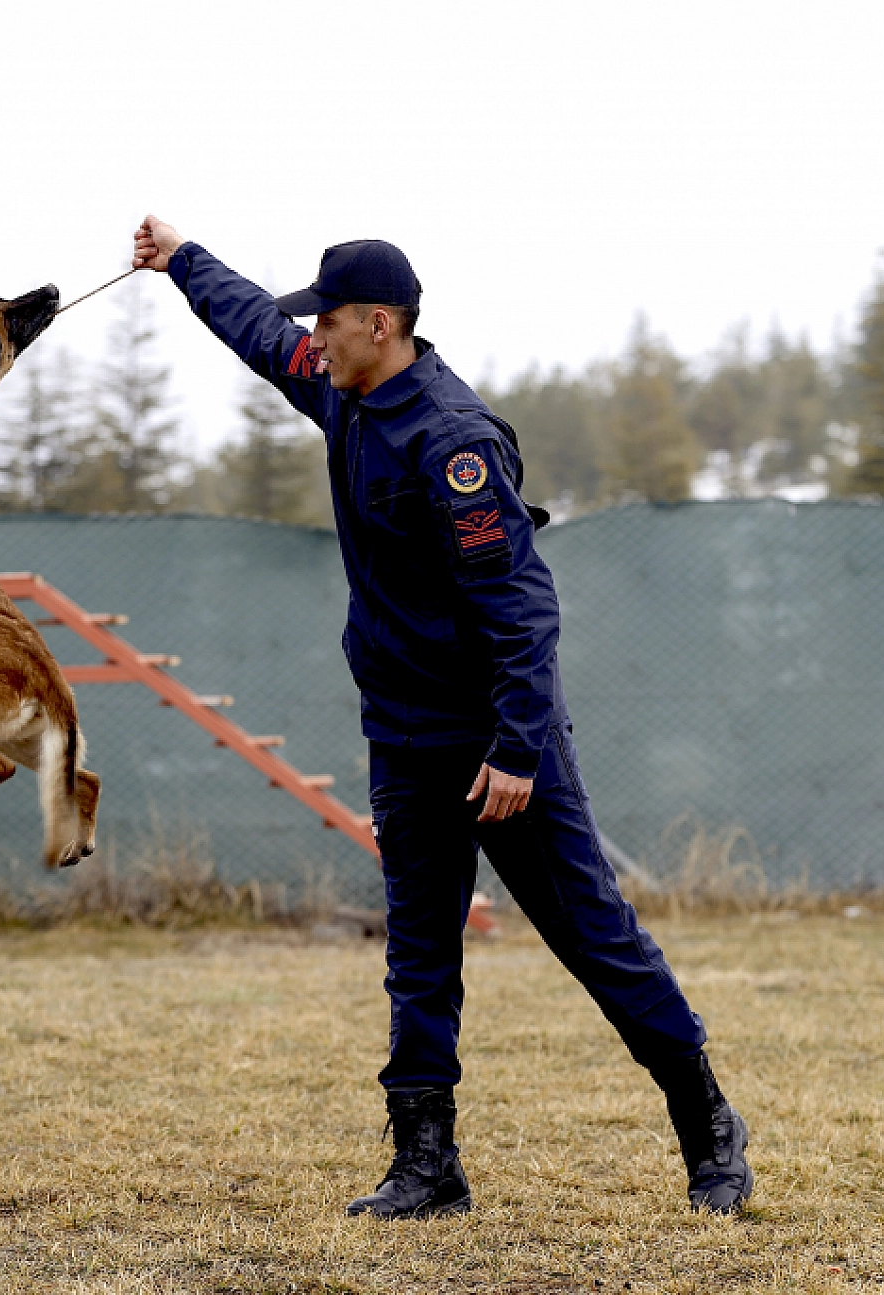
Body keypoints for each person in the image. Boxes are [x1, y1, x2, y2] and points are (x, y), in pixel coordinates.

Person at [132, 217, 753, 1219]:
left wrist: (517, 747)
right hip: (404, 735)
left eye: (329, 321)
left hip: (495, 742)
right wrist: (183, 261)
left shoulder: (452, 441)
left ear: (378, 325)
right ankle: (427, 1165)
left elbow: (520, 606)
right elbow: (259, 331)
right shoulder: (343, 392)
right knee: (418, 952)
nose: (314, 338)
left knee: (593, 936)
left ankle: (708, 1122)